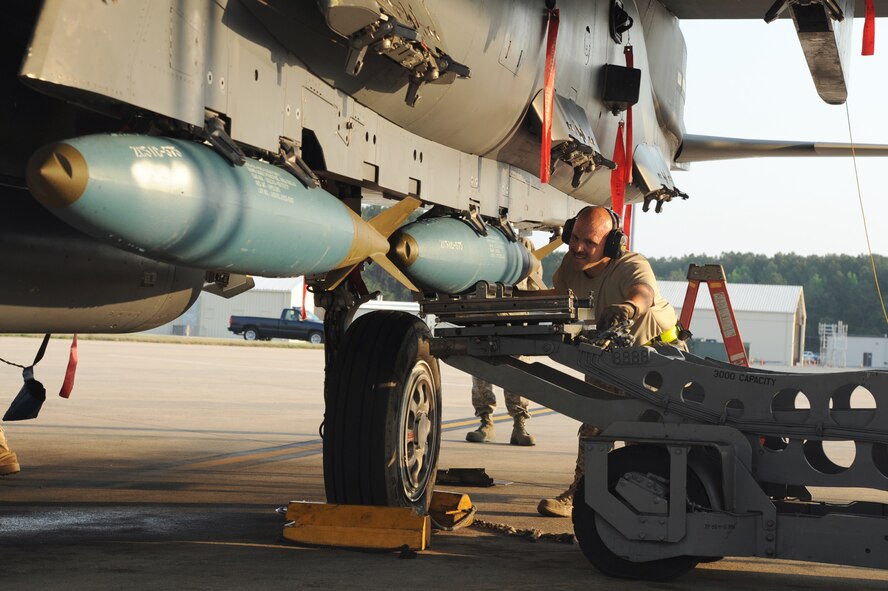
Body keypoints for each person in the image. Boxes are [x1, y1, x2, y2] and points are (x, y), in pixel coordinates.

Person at [537, 206, 682, 517]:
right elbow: (558, 299)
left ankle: (644, 497)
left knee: (641, 432)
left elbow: (642, 293)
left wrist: (628, 308)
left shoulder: (631, 264)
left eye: (589, 242)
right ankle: (583, 492)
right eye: (574, 238)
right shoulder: (570, 266)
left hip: (653, 359)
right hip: (608, 356)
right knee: (594, 423)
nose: (577, 247)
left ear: (612, 243)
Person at [465, 236, 544, 447]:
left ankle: (519, 426)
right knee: (481, 375)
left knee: (517, 376)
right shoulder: (479, 241)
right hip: (483, 320)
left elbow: (535, 283)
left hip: (516, 322)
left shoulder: (523, 245)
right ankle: (485, 423)